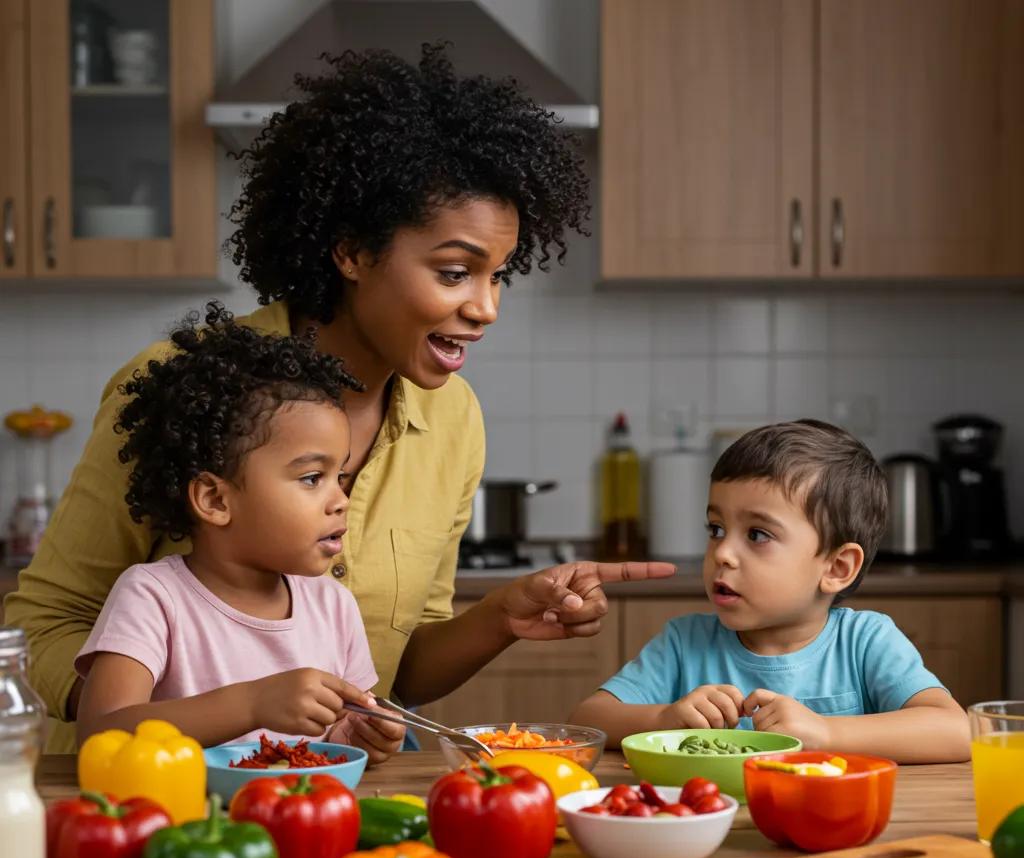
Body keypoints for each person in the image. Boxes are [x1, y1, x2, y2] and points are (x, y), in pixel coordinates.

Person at [4, 44, 673, 752]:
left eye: (498, 276)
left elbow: (399, 666)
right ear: (352, 252)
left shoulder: (455, 420)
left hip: (324, 787)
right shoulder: (189, 382)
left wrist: (503, 615)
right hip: (156, 795)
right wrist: (176, 707)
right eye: (454, 272)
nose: (486, 308)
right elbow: (48, 621)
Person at [74, 305, 406, 762]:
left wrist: (362, 735)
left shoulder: (333, 606)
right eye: (312, 478)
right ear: (215, 500)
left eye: (340, 477)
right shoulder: (152, 597)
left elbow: (340, 737)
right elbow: (99, 734)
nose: (340, 500)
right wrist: (252, 704)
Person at [570, 420, 971, 764]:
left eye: (758, 534)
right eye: (716, 529)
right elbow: (588, 720)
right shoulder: (683, 643)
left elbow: (956, 731)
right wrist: (662, 720)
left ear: (836, 567)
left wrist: (826, 733)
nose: (722, 553)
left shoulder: (866, 641)